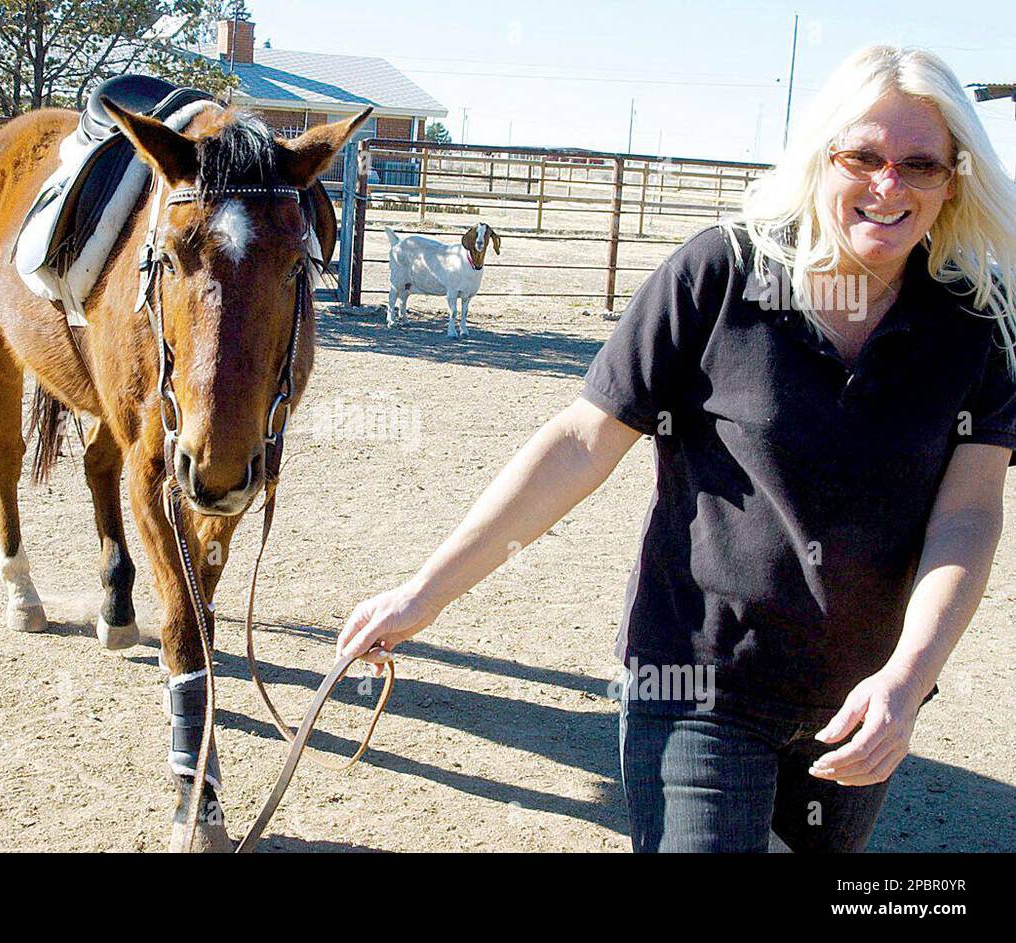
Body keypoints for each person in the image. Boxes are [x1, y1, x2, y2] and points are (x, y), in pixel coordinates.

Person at [337, 45, 1016, 853]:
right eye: (862, 155)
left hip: (861, 696)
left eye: (920, 164)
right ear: (821, 157)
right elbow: (581, 443)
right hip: (697, 680)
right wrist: (423, 594)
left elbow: (968, 518)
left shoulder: (980, 325)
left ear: (954, 179)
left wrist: (905, 679)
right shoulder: (719, 277)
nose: (888, 185)